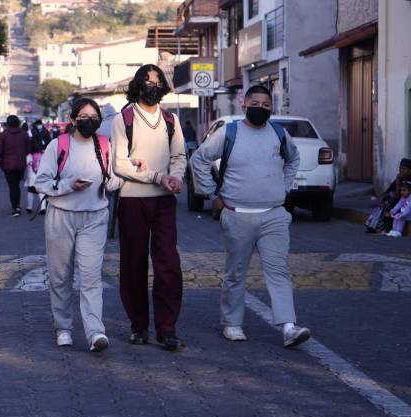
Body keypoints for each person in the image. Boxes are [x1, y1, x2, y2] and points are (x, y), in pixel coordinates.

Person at [190, 85, 311, 348]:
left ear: (272, 108)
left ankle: (289, 327)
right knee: (236, 272)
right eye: (255, 103)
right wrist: (212, 195)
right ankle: (231, 324)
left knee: (279, 271)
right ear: (243, 104)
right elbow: (198, 159)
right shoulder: (229, 133)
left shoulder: (279, 134)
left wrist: (284, 186)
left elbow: (293, 159)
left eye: (266, 104)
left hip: (274, 215)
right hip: (236, 215)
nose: (260, 108)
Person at [35, 98, 125, 352]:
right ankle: (63, 328)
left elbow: (116, 178)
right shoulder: (58, 145)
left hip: (95, 217)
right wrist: (68, 185)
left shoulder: (106, 145)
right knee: (60, 275)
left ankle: (95, 332)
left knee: (91, 277)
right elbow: (41, 183)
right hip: (61, 216)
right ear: (73, 120)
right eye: (84, 116)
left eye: (94, 116)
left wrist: (110, 184)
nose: (89, 120)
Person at [111, 64, 187, 351]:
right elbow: (119, 164)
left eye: (156, 81)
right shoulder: (124, 119)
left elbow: (179, 155)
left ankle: (167, 328)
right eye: (146, 81)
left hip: (164, 200)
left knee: (168, 263)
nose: (151, 86)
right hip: (132, 200)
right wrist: (157, 176)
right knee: (133, 264)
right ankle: (139, 325)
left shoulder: (171, 120)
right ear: (137, 84)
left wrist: (176, 178)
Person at [0, 115, 30, 217]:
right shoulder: (24, 134)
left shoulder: (3, 135)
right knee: (16, 185)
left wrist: (1, 163)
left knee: (12, 186)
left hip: (8, 165)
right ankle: (17, 206)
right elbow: (28, 149)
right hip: (21, 164)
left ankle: (15, 207)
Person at [367, 158, 411, 233]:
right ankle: (376, 224)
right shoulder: (398, 179)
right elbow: (389, 190)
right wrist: (383, 199)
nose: (401, 171)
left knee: (392, 203)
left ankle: (387, 227)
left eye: (404, 169)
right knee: (387, 201)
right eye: (400, 168)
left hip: (407, 205)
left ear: (410, 171)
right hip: (400, 202)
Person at [25, 130, 48, 214]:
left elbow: (26, 164)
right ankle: (43, 208)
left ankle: (29, 207)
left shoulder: (29, 155)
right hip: (42, 176)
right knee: (41, 192)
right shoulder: (44, 154)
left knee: (30, 191)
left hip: (31, 177)